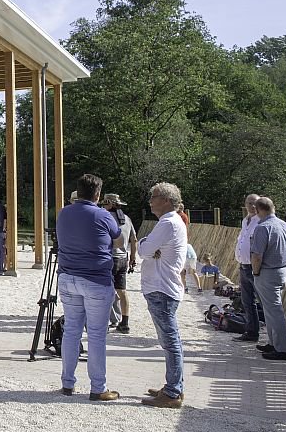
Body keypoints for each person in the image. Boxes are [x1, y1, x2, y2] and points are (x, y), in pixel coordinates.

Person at [55, 174, 122, 402]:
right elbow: (118, 237)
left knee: (71, 331)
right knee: (96, 335)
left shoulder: (63, 213)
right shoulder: (103, 215)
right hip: (95, 280)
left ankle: (67, 383)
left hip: (67, 277)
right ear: (98, 194)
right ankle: (98, 387)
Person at [139, 182, 188, 409]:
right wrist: (148, 247)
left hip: (161, 288)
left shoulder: (167, 222)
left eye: (154, 196)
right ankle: (174, 386)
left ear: (166, 201)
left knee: (170, 342)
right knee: (170, 341)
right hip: (164, 287)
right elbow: (148, 250)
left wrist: (144, 245)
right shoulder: (172, 222)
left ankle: (172, 392)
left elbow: (144, 251)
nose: (150, 200)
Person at [251, 197, 286, 361]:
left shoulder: (262, 227)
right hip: (283, 269)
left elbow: (257, 256)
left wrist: (255, 273)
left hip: (268, 272)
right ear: (273, 207)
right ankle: (274, 343)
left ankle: (284, 350)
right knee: (271, 310)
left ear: (257, 210)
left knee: (275, 311)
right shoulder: (285, 225)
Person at [101, 193, 137, 333]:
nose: (103, 207)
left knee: (105, 291)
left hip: (109, 258)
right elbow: (134, 240)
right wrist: (133, 258)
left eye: (105, 204)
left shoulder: (106, 218)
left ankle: (107, 320)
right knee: (122, 292)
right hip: (123, 259)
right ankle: (125, 323)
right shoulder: (127, 219)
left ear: (110, 204)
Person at [233, 194, 262, 343]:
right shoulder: (246, 221)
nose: (251, 206)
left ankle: (273, 338)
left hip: (254, 267)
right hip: (243, 266)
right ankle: (251, 332)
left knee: (263, 302)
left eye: (254, 203)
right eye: (249, 203)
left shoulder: (261, 222)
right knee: (247, 301)